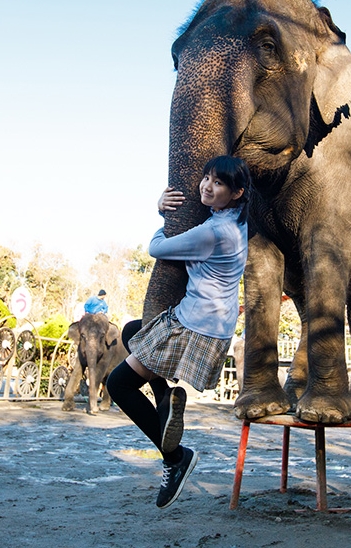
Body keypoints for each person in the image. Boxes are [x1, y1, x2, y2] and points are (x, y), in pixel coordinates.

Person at [106, 155, 251, 509]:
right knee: (132, 331)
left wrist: (163, 215)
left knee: (118, 385)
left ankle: (175, 457)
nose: (206, 186)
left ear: (236, 192)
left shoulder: (213, 232)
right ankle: (165, 399)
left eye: (218, 183)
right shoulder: (236, 221)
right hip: (214, 327)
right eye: (206, 178)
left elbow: (156, 248)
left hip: (192, 327)